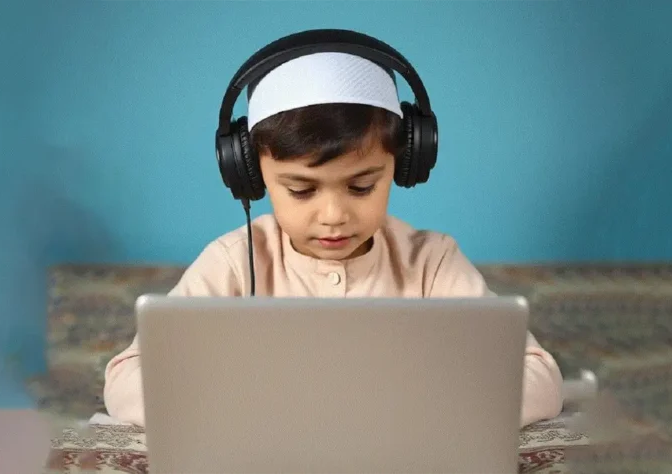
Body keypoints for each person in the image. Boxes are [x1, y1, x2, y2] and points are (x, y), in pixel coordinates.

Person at [103, 31, 563, 429]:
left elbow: (540, 377)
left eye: (362, 186)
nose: (333, 215)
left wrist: (415, 408)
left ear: (403, 165)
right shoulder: (233, 263)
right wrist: (241, 407)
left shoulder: (431, 263)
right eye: (301, 191)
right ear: (251, 172)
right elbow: (126, 379)